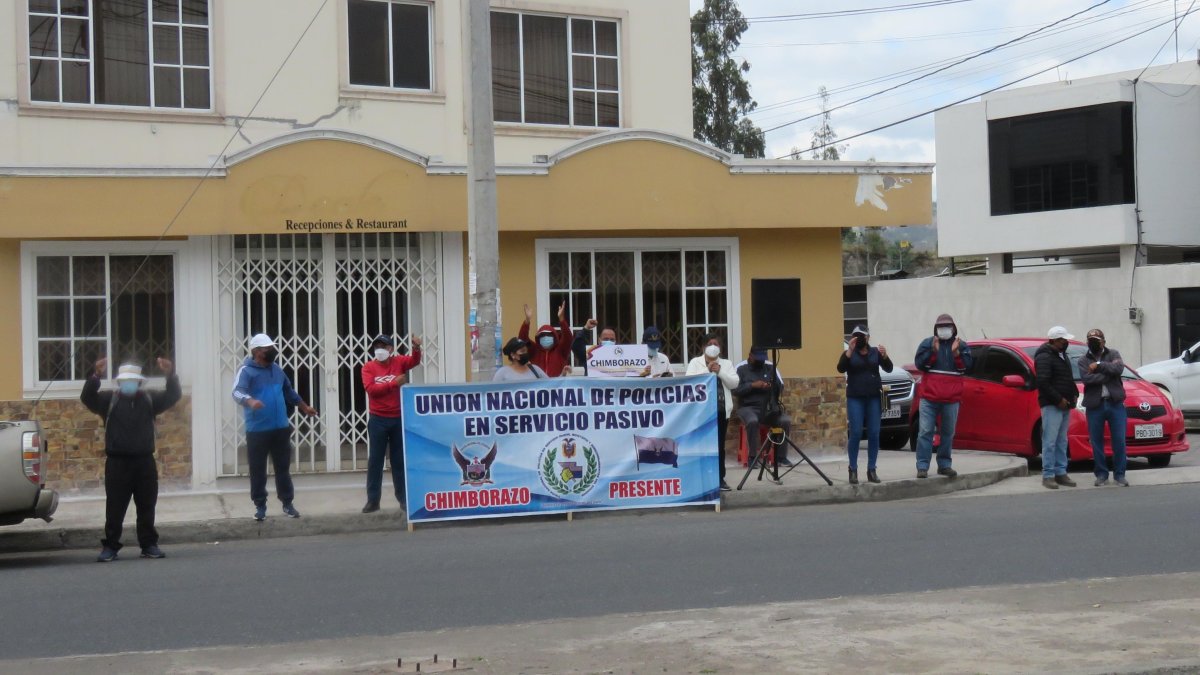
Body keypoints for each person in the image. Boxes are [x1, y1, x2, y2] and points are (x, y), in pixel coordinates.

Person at [81, 358, 181, 562]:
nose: (129, 384)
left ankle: (148, 544)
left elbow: (173, 395)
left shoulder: (150, 399)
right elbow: (87, 397)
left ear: (139, 382)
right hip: (117, 463)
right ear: (119, 382)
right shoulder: (108, 400)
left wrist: (170, 374)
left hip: (144, 462)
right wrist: (96, 375)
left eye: (133, 381)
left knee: (147, 506)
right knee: (115, 508)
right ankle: (110, 546)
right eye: (126, 381)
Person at [233, 334, 319, 521]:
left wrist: (304, 407)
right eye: (267, 349)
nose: (272, 351)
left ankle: (287, 503)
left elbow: (289, 391)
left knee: (283, 468)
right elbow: (237, 392)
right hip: (257, 430)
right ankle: (260, 505)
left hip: (280, 428)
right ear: (257, 352)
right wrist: (250, 401)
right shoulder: (246, 371)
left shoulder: (277, 370)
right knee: (258, 469)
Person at [360, 333, 423, 513]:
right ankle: (373, 500)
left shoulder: (398, 362)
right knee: (375, 461)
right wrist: (394, 383)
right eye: (377, 347)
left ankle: (403, 499)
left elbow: (414, 361)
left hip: (397, 418)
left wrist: (416, 348)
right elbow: (371, 390)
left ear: (390, 349)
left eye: (383, 346)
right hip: (378, 419)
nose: (379, 350)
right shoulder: (368, 367)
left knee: (398, 461)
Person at [913, 314, 973, 479]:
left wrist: (956, 353)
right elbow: (920, 365)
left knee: (948, 433)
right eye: (940, 327)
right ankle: (922, 466)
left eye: (947, 326)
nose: (944, 329)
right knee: (925, 432)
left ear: (953, 328)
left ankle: (944, 465)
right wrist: (933, 352)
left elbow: (966, 368)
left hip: (951, 399)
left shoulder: (961, 345)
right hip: (929, 398)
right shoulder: (927, 343)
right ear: (935, 329)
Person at [837, 326, 892, 484]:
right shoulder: (849, 353)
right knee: (855, 433)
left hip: (874, 397)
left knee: (874, 433)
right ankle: (853, 469)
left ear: (868, 338)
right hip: (856, 398)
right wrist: (849, 351)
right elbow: (840, 368)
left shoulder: (875, 352)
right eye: (855, 336)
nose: (858, 339)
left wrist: (885, 356)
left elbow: (888, 368)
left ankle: (872, 469)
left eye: (861, 336)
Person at [686, 333, 738, 491]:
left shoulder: (726, 363)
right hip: (702, 412)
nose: (713, 347)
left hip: (721, 410)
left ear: (720, 348)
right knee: (702, 446)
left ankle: (719, 479)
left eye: (716, 344)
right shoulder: (695, 362)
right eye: (709, 344)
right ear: (703, 347)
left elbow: (734, 383)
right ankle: (701, 479)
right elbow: (689, 382)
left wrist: (720, 371)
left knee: (719, 446)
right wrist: (707, 371)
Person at [1078, 328, 1129, 487]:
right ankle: (1101, 474)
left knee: (1119, 440)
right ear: (1087, 343)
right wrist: (1108, 374)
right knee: (1096, 441)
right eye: (1090, 341)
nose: (1093, 343)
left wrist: (1098, 365)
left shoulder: (1113, 353)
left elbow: (1118, 368)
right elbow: (1087, 379)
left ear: (1103, 342)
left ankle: (1120, 475)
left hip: (1115, 404)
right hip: (1095, 405)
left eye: (1096, 340)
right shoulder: (1083, 360)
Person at [733, 346, 793, 467]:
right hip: (748, 407)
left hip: (768, 408)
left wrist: (771, 385)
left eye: (763, 358)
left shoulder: (770, 367)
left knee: (785, 420)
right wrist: (752, 385)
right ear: (750, 356)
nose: (761, 361)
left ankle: (781, 457)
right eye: (758, 358)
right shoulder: (741, 368)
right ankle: (752, 458)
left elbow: (780, 387)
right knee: (752, 421)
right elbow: (735, 390)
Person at [1036, 326, 1079, 490]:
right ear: (1054, 340)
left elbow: (1067, 378)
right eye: (1063, 340)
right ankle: (1048, 474)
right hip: (1052, 404)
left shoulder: (1062, 356)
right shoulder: (1044, 356)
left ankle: (1061, 472)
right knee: (1050, 441)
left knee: (1062, 441)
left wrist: (1074, 393)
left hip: (1065, 403)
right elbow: (1043, 382)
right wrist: (1058, 399)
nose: (1066, 342)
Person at [519, 302, 573, 377]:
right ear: (538, 338)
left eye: (549, 335)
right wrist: (527, 321)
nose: (546, 337)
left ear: (554, 337)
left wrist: (562, 320)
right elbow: (522, 339)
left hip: (557, 383)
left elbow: (568, 338)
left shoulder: (561, 350)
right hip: (538, 384)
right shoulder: (534, 350)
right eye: (542, 335)